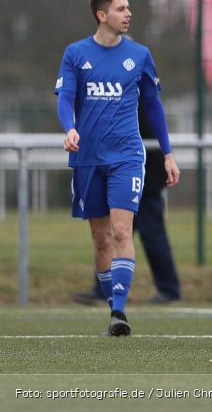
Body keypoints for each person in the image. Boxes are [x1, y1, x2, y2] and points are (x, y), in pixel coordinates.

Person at [55, 0, 180, 336]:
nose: (129, 13)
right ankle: (113, 305)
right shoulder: (76, 53)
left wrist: (168, 153)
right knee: (100, 238)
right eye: (121, 8)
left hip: (127, 155)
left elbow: (154, 106)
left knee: (122, 230)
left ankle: (119, 313)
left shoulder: (139, 55)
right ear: (102, 15)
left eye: (129, 7)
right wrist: (70, 128)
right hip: (87, 158)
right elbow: (65, 96)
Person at [71, 101, 182, 306]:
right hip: (119, 171)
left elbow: (152, 117)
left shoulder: (135, 86)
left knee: (150, 235)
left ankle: (169, 288)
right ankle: (104, 289)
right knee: (109, 233)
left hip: (142, 175)